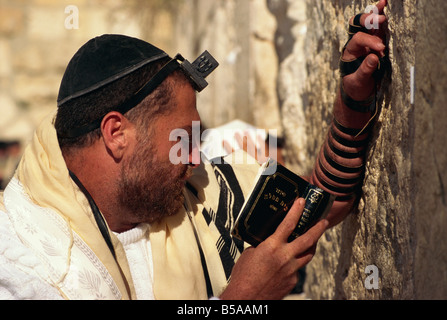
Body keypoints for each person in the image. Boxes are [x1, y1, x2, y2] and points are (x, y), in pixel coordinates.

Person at [0, 1, 388, 300]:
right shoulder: (21, 257)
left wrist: (351, 104)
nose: (193, 156)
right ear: (116, 133)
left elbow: (319, 206)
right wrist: (240, 300)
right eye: (181, 139)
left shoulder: (198, 190)